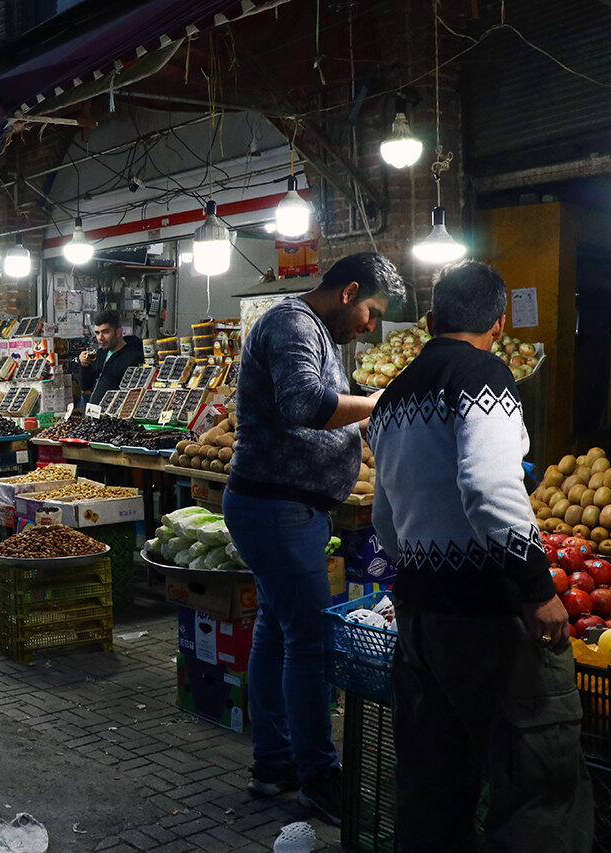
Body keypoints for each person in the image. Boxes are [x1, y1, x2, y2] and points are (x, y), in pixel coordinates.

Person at [367, 260, 591, 851]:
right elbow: (489, 487)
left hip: (420, 620)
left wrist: (415, 576)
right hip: (489, 621)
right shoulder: (485, 376)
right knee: (533, 784)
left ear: (432, 319)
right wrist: (538, 591)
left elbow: (384, 517)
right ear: (497, 323)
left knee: (432, 784)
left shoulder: (390, 398)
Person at [223, 251, 404, 825]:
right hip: (276, 509)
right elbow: (305, 405)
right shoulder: (292, 324)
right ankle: (317, 775)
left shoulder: (317, 333)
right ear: (350, 292)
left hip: (285, 509)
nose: (370, 326)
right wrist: (375, 403)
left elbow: (328, 406)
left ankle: (274, 764)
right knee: (311, 642)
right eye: (372, 312)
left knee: (279, 630)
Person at [77, 310, 145, 405]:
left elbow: (132, 395)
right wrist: (84, 366)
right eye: (97, 333)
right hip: (94, 414)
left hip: (114, 417)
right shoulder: (100, 353)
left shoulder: (133, 357)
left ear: (118, 332)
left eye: (105, 332)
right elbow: (86, 386)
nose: (100, 338)